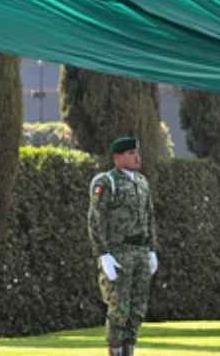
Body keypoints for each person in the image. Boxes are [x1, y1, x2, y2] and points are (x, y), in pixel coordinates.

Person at [88, 136, 160, 356]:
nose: (137, 157)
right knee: (119, 309)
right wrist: (103, 254)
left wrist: (152, 249)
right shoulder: (106, 182)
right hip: (119, 253)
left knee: (137, 310)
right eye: (131, 153)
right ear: (117, 157)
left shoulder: (141, 182)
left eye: (137, 152)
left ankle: (129, 351)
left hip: (140, 252)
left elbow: (149, 217)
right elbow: (95, 219)